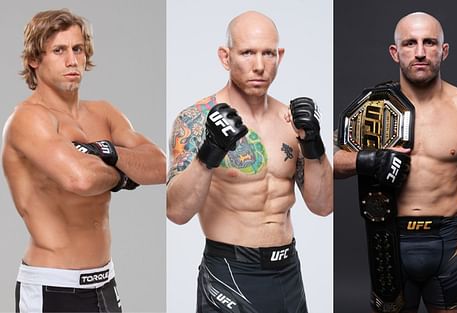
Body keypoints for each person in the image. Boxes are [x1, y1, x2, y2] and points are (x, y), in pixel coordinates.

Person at [167, 10, 333, 312]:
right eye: (246, 53)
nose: (259, 65)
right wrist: (210, 151)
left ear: (279, 55)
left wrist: (313, 144)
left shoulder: (291, 122)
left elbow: (323, 206)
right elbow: (176, 212)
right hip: (229, 273)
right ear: (225, 56)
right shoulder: (195, 119)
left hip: (287, 273)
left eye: (268, 53)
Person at [334, 12, 457, 313]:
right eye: (410, 43)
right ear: (395, 53)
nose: (421, 52)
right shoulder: (372, 109)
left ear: (444, 50)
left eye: (430, 43)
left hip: (448, 243)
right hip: (388, 240)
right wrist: (366, 159)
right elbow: (329, 163)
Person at [2, 9, 166, 312]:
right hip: (52, 287)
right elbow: (80, 179)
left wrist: (110, 153)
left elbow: (161, 166)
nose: (72, 60)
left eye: (77, 49)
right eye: (59, 50)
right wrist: (125, 174)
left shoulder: (103, 113)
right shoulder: (28, 119)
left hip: (105, 283)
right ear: (34, 59)